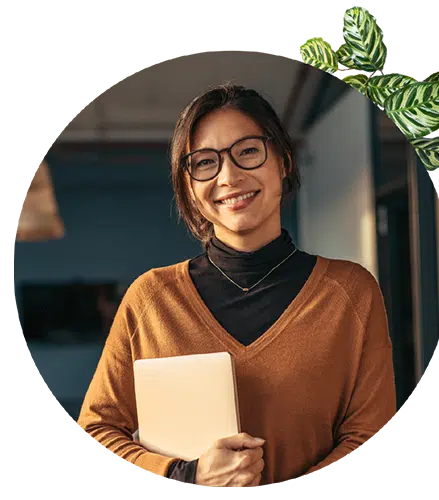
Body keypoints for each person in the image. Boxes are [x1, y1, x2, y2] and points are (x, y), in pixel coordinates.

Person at [77, 84, 397, 488]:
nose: (229, 176)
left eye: (247, 151)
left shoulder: (350, 292)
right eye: (205, 162)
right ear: (190, 189)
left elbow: (372, 437)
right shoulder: (151, 299)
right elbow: (96, 434)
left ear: (282, 159)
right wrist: (185, 476)